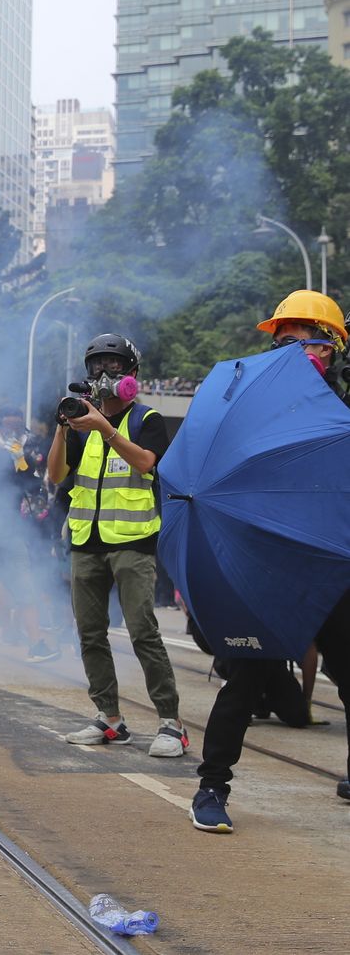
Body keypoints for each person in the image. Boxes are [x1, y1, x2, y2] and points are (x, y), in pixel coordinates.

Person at [190, 290, 350, 832]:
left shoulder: (344, 414)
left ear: (330, 349)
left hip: (333, 566)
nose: (289, 353)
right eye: (281, 344)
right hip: (270, 568)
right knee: (246, 678)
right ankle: (211, 788)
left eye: (302, 342)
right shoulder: (245, 411)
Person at [46, 334, 188, 757]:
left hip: (132, 542)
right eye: (96, 365)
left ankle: (172, 724)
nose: (104, 372)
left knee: (143, 631)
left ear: (132, 373)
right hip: (85, 541)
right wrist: (62, 427)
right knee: (90, 634)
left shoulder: (147, 419)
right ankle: (109, 719)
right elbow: (56, 475)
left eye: (113, 364)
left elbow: (146, 463)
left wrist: (105, 428)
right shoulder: (81, 424)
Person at [0, 407, 60, 664]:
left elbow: (34, 489)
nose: (13, 431)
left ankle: (36, 644)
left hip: (13, 533)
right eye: (8, 426)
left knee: (26, 589)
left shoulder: (23, 456)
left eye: (17, 426)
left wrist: (21, 464)